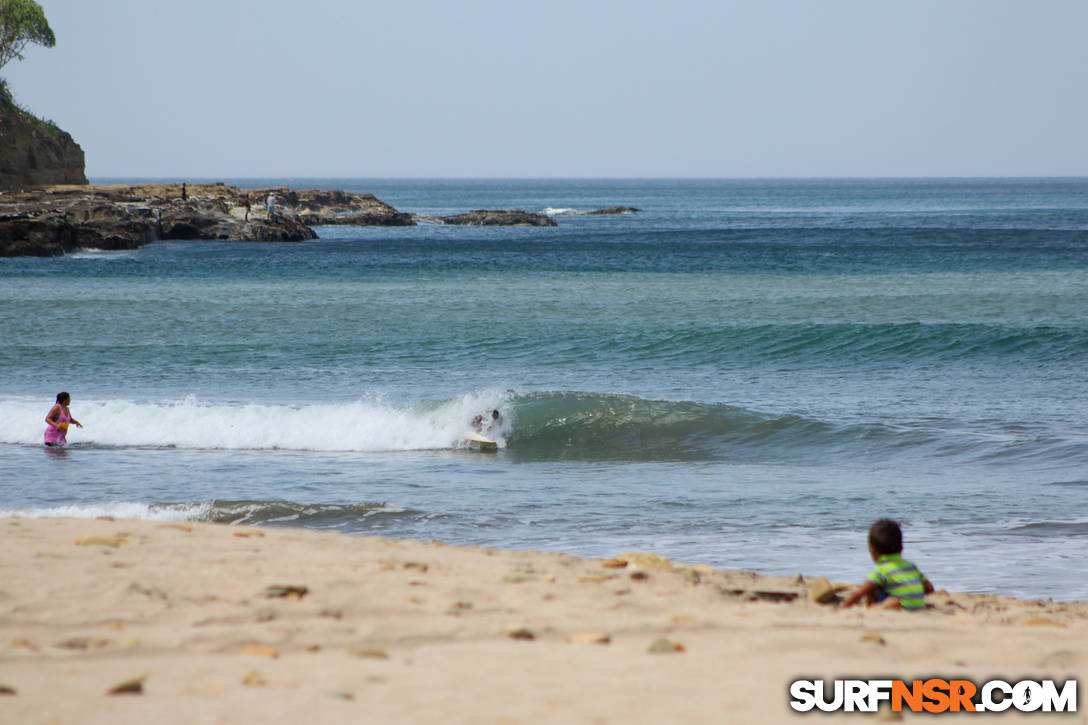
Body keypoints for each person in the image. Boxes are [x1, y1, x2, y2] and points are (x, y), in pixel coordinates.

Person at [841, 518, 934, 610]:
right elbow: (929, 589)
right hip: (919, 608)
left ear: (872, 550)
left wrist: (842, 608)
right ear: (901, 547)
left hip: (899, 609)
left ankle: (873, 609)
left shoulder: (882, 570)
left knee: (872, 590)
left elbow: (860, 593)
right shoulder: (911, 567)